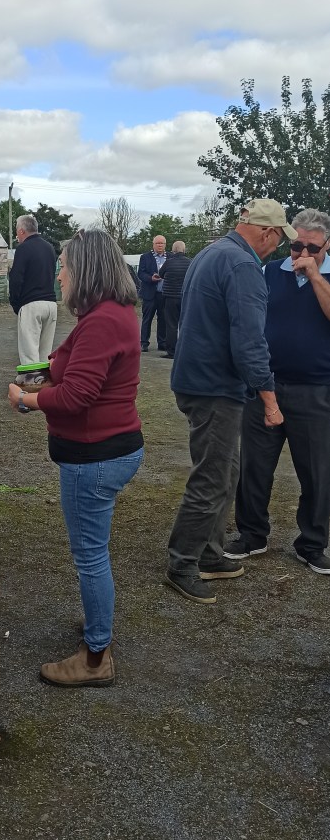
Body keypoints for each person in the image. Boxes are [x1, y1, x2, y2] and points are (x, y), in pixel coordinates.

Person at [7, 229, 143, 688]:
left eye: (63, 266)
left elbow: (77, 396)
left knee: (90, 555)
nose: (59, 275)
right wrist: (45, 374)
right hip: (105, 448)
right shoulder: (110, 313)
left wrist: (26, 400)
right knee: (93, 551)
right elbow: (82, 376)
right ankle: (97, 623)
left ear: (84, 269)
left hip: (95, 456)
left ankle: (96, 657)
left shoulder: (103, 320)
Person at [166, 199, 295, 605]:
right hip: (214, 386)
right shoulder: (243, 266)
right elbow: (249, 341)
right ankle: (183, 563)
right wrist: (270, 399)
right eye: (279, 239)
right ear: (268, 232)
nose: (277, 248)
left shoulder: (211, 253)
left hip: (198, 379)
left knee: (225, 471)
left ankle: (208, 552)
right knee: (212, 477)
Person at [225, 208, 330, 574]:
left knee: (317, 472)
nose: (303, 254)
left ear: (327, 246)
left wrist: (315, 276)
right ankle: (252, 534)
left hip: (315, 389)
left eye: (312, 248)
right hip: (264, 386)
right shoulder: (268, 271)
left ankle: (311, 543)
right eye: (297, 246)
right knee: (254, 466)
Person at [8, 214, 58, 368]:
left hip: (31, 304)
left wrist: (16, 304)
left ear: (21, 231)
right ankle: (44, 382)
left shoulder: (23, 249)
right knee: (44, 355)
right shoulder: (49, 248)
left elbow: (16, 279)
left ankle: (31, 383)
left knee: (29, 356)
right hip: (51, 304)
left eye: (17, 231)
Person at [158, 241, 191, 358]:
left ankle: (171, 351)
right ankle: (185, 350)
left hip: (170, 297)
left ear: (173, 250)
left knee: (171, 325)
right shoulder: (190, 262)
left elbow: (160, 274)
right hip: (185, 297)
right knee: (184, 324)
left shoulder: (168, 262)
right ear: (184, 250)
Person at [138, 234, 167, 352]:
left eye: (162, 243)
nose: (160, 245)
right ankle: (144, 343)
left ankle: (162, 343)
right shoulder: (145, 257)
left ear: (165, 245)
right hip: (149, 294)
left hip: (163, 293)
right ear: (153, 244)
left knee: (163, 319)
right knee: (147, 319)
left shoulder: (170, 257)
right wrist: (151, 278)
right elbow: (140, 273)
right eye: (157, 243)